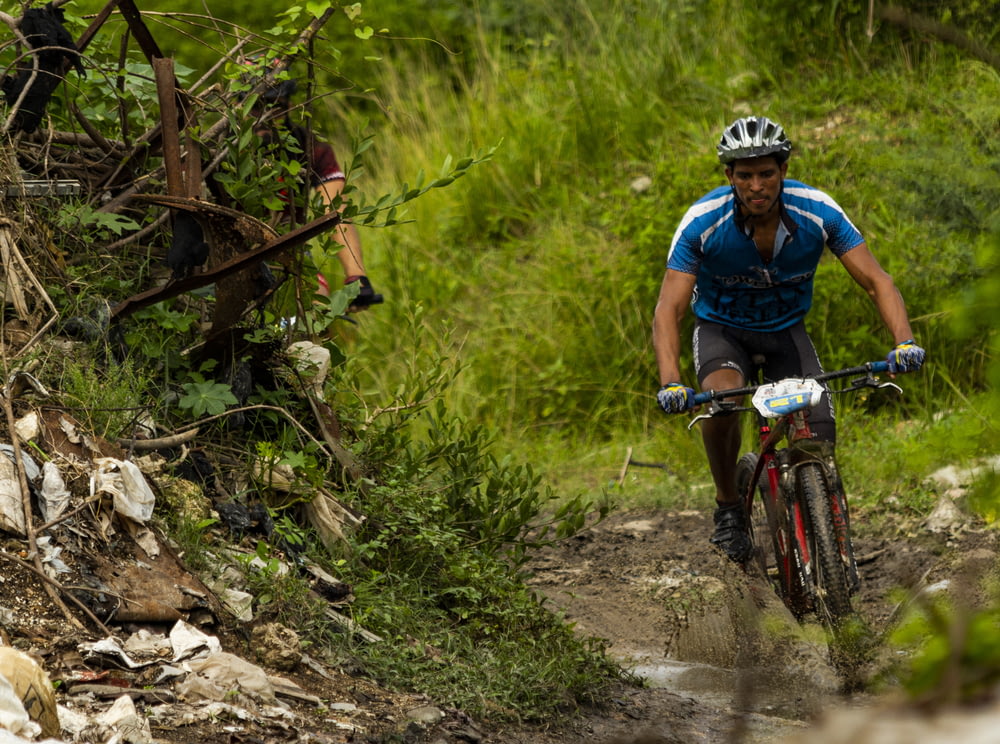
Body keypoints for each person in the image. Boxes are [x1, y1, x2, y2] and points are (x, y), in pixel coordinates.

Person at [652, 115, 925, 563]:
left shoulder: (817, 211)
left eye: (766, 173)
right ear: (729, 177)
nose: (756, 185)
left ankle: (827, 533)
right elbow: (670, 308)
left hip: (786, 333)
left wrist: (903, 341)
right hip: (723, 331)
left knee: (816, 438)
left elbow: (877, 280)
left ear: (783, 171)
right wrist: (671, 381)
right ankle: (728, 509)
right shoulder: (702, 222)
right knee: (720, 403)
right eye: (744, 175)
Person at [249, 68, 383, 311]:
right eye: (256, 107)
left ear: (289, 106)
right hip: (234, 250)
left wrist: (356, 277)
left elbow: (334, 208)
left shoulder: (309, 146)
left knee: (314, 303)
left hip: (289, 249)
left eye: (275, 107)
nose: (266, 117)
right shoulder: (222, 146)